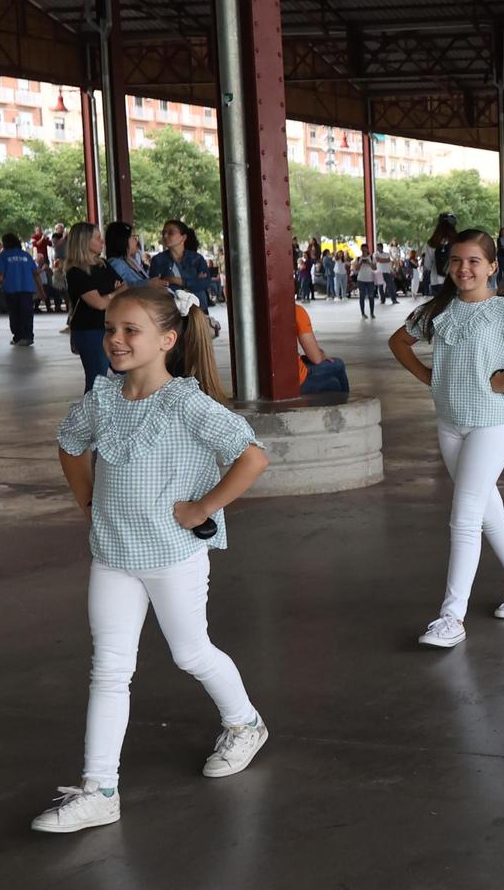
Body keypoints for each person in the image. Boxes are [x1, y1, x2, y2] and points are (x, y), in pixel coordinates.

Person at [34, 285, 271, 833]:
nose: (115, 340)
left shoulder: (187, 402)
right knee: (109, 668)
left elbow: (252, 456)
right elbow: (70, 445)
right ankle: (100, 789)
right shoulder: (101, 398)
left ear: (167, 339)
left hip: (171, 556)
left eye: (130, 331)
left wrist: (203, 507)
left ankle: (245, 724)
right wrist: (89, 503)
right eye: (110, 330)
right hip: (113, 554)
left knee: (191, 653)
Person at [389, 229, 504, 649]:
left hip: (492, 423)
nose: (463, 268)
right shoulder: (439, 310)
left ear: (492, 266)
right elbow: (399, 342)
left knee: (465, 516)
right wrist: (429, 378)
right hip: (451, 423)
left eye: (473, 261)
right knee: (487, 510)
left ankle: (452, 617)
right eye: (456, 260)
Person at [66, 223, 124, 392]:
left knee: (125, 372)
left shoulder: (103, 264)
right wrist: (115, 292)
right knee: (97, 379)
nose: (102, 241)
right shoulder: (76, 272)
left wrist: (113, 294)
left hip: (111, 326)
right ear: (84, 242)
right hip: (90, 330)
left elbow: (125, 287)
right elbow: (98, 303)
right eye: (97, 238)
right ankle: (91, 416)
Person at [294, 303, 347, 393]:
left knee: (337, 365)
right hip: (296, 379)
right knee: (337, 374)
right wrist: (322, 354)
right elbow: (316, 358)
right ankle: (346, 404)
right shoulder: (296, 311)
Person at [0, 233, 39, 345]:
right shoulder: (26, 255)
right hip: (27, 288)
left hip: (10, 289)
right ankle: (27, 336)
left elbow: (0, 274)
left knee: (14, 314)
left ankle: (18, 335)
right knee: (27, 313)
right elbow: (35, 273)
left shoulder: (4, 255)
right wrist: (42, 290)